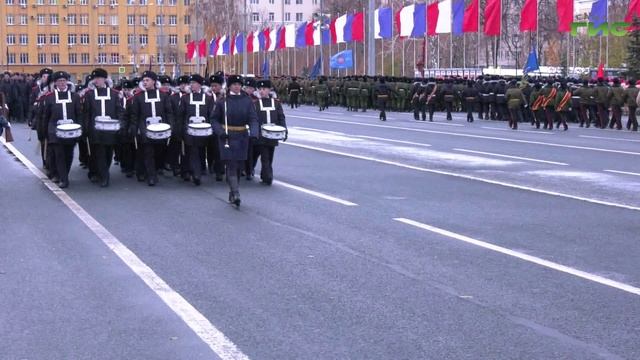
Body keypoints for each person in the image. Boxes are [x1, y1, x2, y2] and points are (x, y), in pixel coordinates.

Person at [210, 75, 259, 207]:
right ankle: (236, 192)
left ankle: (232, 190)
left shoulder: (247, 100)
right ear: (230, 86)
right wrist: (220, 132)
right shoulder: (222, 101)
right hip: (227, 136)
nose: (237, 86)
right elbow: (214, 119)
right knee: (231, 164)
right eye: (234, 84)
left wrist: (254, 132)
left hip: (242, 135)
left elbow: (253, 118)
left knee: (239, 166)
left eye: (239, 84)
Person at [130, 71, 175, 186]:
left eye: (147, 80)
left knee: (158, 151)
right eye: (143, 80)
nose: (145, 82)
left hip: (161, 129)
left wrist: (171, 126)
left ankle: (146, 171)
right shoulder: (138, 97)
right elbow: (135, 114)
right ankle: (151, 176)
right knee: (147, 152)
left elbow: (169, 112)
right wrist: (134, 129)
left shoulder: (163, 96)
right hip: (145, 129)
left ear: (154, 81)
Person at [39, 71, 82, 188]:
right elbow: (46, 116)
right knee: (59, 155)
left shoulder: (75, 96)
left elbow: (79, 114)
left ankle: (63, 174)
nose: (62, 83)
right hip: (55, 131)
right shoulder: (49, 97)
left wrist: (80, 129)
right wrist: (44, 132)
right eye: (59, 81)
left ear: (67, 82)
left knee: (69, 155)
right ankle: (64, 179)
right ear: (55, 83)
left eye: (64, 81)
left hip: (71, 131)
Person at [84, 68, 124, 187]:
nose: (97, 80)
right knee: (99, 152)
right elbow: (87, 112)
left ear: (105, 79)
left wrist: (120, 124)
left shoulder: (114, 94)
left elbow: (119, 110)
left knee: (108, 153)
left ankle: (101, 172)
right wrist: (87, 128)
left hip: (110, 129)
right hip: (95, 129)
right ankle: (104, 176)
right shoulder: (89, 95)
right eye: (95, 78)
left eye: (99, 78)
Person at [179, 74, 215, 186]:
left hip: (204, 131)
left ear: (200, 84)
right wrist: (182, 129)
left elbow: (211, 115)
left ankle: (195, 170)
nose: (192, 85)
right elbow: (181, 115)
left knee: (200, 152)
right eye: (191, 83)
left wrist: (211, 128)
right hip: (189, 130)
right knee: (191, 151)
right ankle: (195, 174)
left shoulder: (208, 99)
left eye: (194, 83)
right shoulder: (185, 98)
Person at [252, 79, 287, 185]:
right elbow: (253, 119)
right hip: (261, 135)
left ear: (269, 90)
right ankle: (267, 176)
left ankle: (264, 174)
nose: (262, 91)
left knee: (269, 154)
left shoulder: (276, 103)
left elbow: (281, 117)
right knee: (264, 155)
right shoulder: (255, 103)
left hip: (272, 135)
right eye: (260, 89)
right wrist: (255, 132)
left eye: (264, 89)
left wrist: (284, 130)